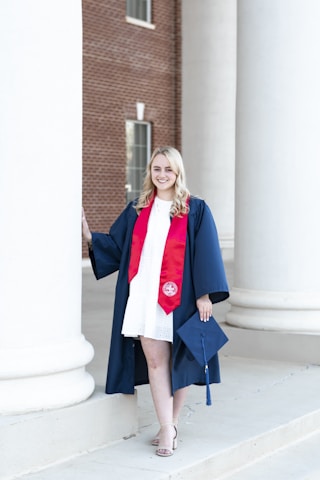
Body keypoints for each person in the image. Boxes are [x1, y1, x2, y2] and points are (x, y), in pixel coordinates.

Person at [82, 146, 229, 457]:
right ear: (149, 171)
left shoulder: (195, 210)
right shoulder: (138, 209)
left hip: (182, 297)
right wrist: (89, 236)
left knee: (182, 360)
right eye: (156, 168)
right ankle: (166, 428)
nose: (162, 175)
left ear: (178, 173)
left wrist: (205, 294)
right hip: (144, 297)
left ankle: (171, 422)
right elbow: (116, 246)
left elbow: (206, 254)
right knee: (155, 361)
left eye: (168, 170)